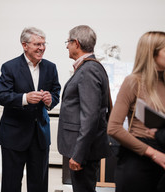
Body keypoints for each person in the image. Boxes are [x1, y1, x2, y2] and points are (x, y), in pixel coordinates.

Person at [0, 27, 61, 192]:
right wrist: (24, 98)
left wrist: (50, 100)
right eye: (37, 44)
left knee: (39, 184)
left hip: (40, 136)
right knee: (11, 183)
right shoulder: (9, 67)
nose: (42, 48)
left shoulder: (51, 68)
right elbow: (1, 96)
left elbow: (56, 94)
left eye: (43, 44)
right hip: (13, 135)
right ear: (24, 45)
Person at [107, 31, 165, 192]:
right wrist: (153, 154)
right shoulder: (134, 82)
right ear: (151, 53)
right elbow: (114, 128)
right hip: (139, 159)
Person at [57, 25, 111, 192]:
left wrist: (78, 154)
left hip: (83, 151)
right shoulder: (89, 67)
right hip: (84, 148)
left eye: (68, 42)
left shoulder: (89, 70)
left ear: (76, 43)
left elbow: (90, 117)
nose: (67, 46)